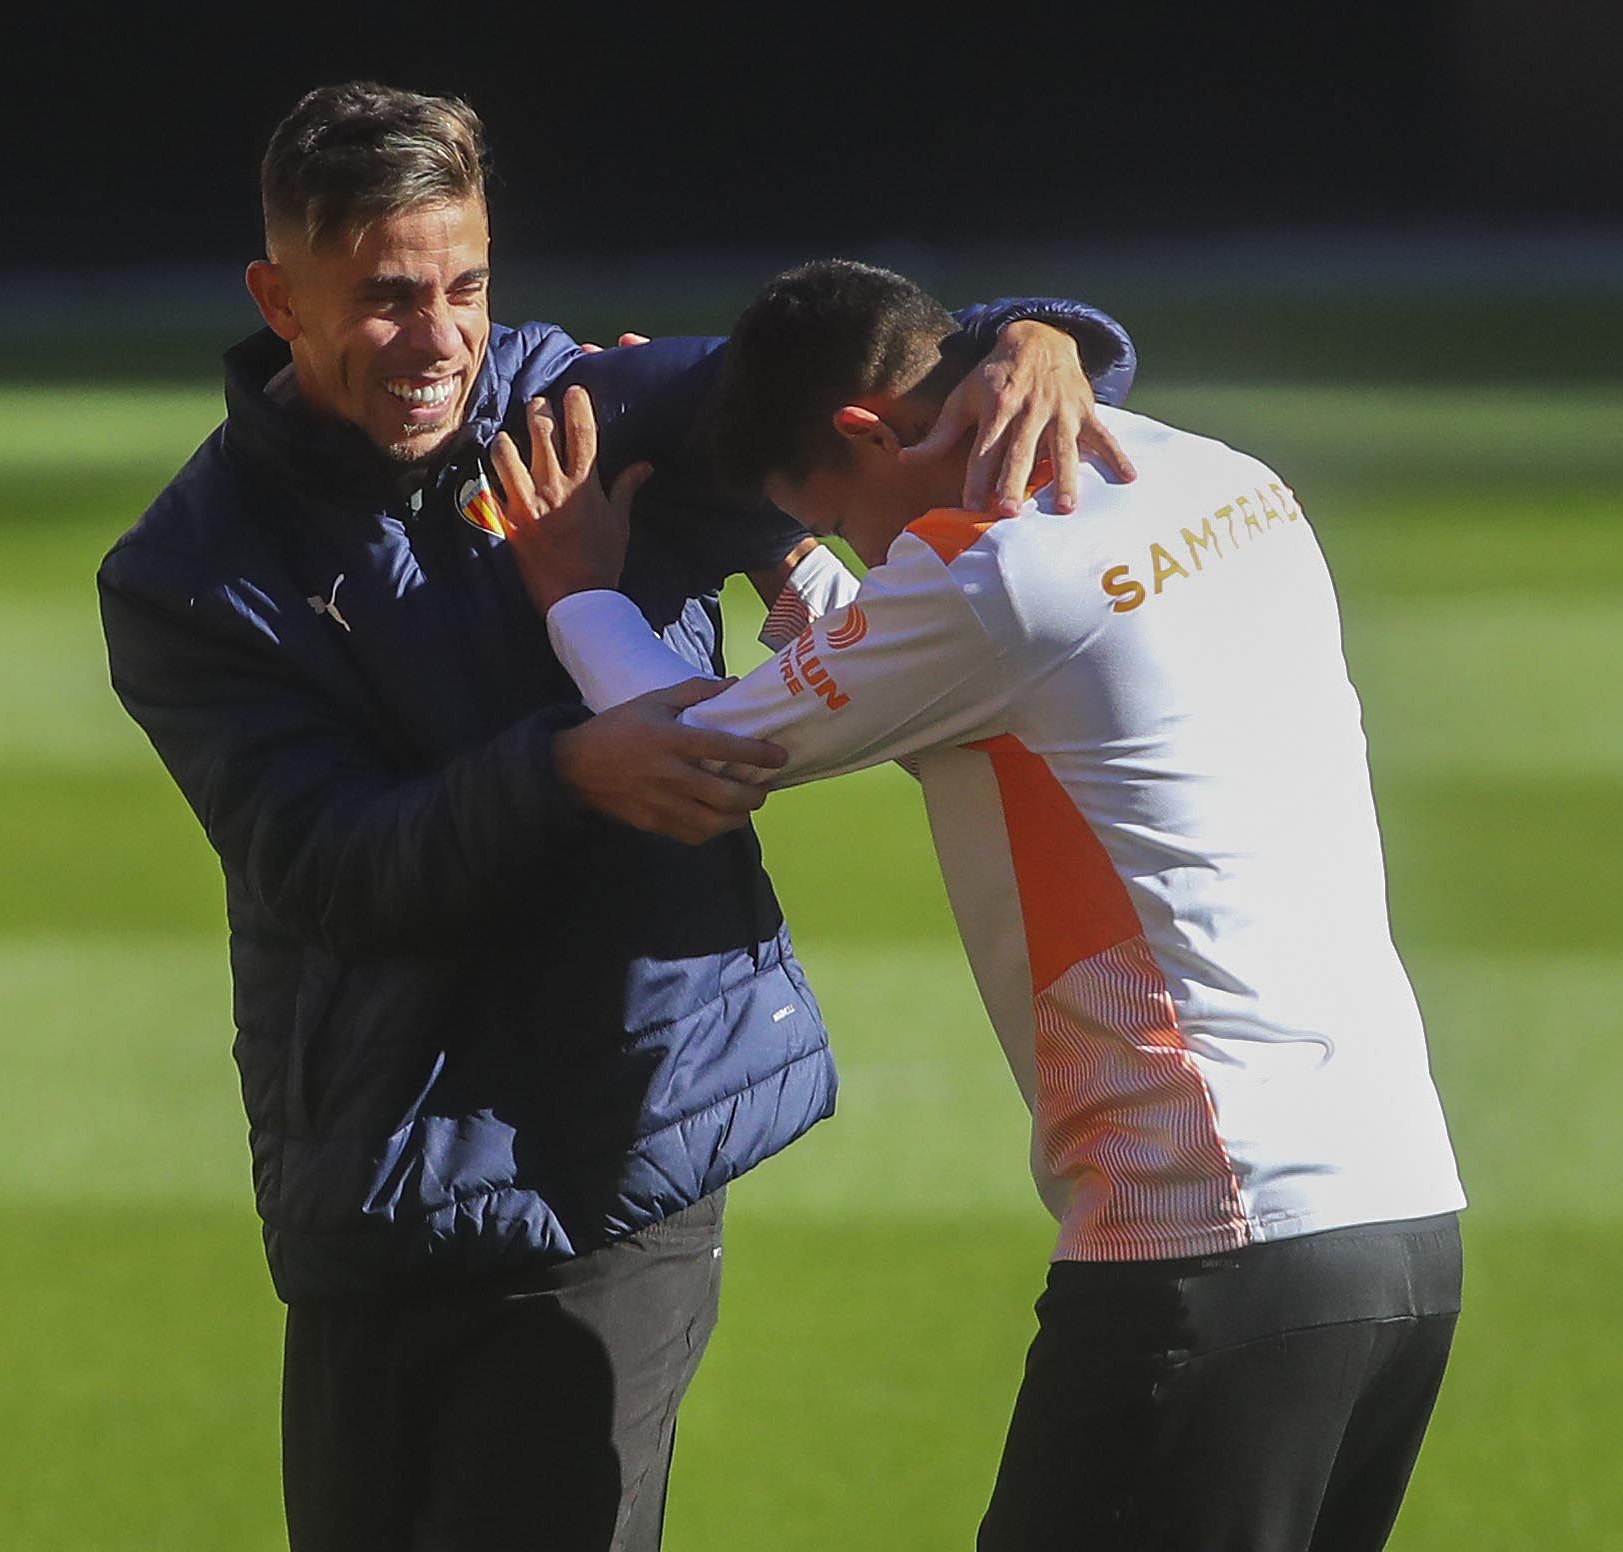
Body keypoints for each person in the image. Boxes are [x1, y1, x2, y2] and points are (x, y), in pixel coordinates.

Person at [95, 84, 1140, 1552]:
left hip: (607, 1159)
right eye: (388, 298)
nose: (442, 336)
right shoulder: (186, 576)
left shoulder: (606, 411)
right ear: (278, 296)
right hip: (362, 1190)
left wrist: (1040, 337)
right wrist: (568, 769)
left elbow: (880, 370)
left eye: (466, 284)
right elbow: (325, 867)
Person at [501, 259, 1467, 1552]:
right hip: (1401, 1226)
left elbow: (696, 754)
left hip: (1204, 1234)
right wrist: (1023, 337)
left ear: (871, 432)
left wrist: (579, 594)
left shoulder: (992, 581)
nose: (865, 560)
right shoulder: (1216, 476)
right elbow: (940, 655)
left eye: (845, 522)